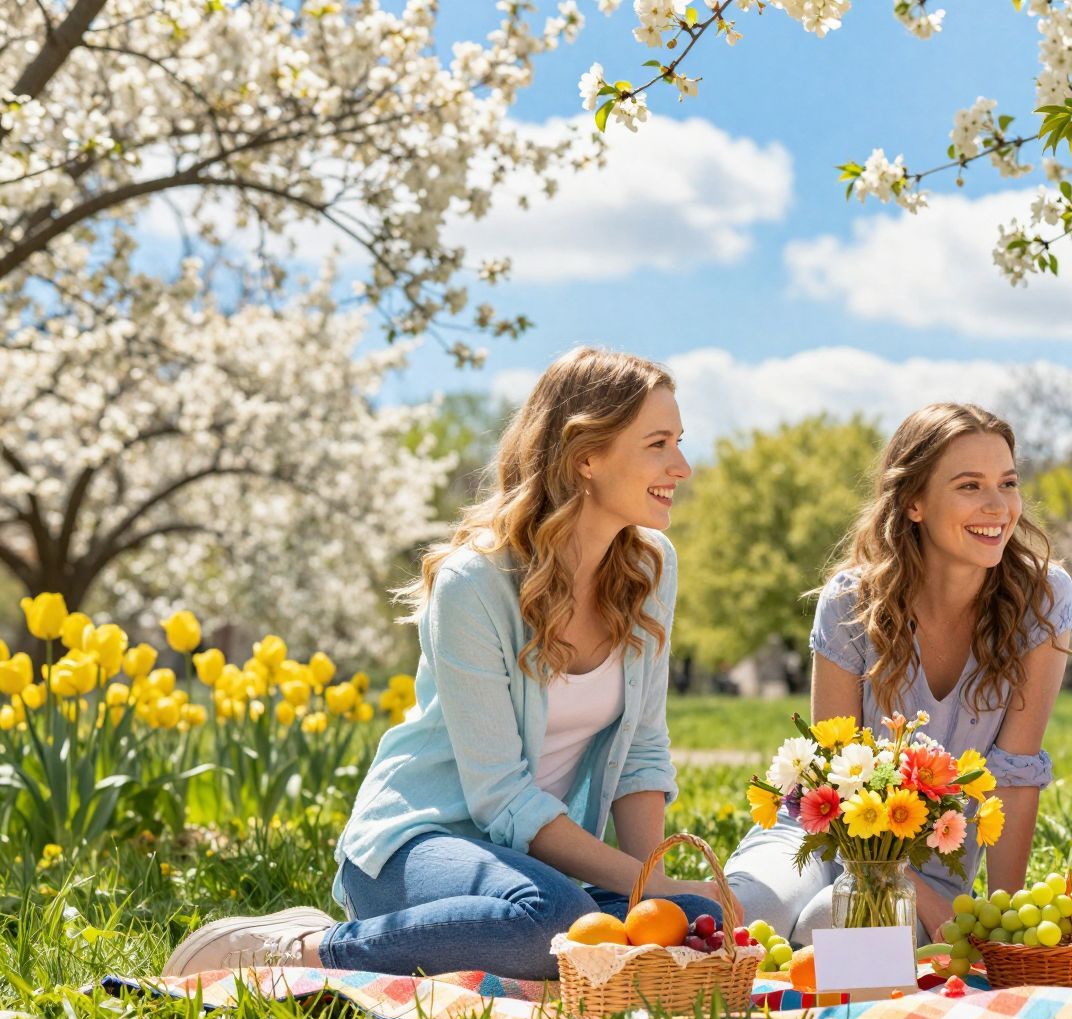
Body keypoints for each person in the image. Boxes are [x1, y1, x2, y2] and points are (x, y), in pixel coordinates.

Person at [164, 348, 722, 981]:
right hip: (417, 845)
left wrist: (660, 899)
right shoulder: (474, 582)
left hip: (531, 864)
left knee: (700, 925)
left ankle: (502, 934)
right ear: (586, 455)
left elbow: (642, 749)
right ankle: (298, 951)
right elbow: (501, 800)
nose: (682, 466)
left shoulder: (651, 566)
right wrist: (647, 883)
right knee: (550, 921)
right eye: (658, 444)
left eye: (679, 441)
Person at [723, 403, 1072, 944]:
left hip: (927, 858)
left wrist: (1009, 929)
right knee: (744, 913)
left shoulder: (1042, 598)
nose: (997, 506)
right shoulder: (851, 603)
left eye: (1007, 482)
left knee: (835, 927)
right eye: (969, 486)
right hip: (818, 836)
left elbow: (1015, 775)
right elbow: (834, 781)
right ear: (914, 503)